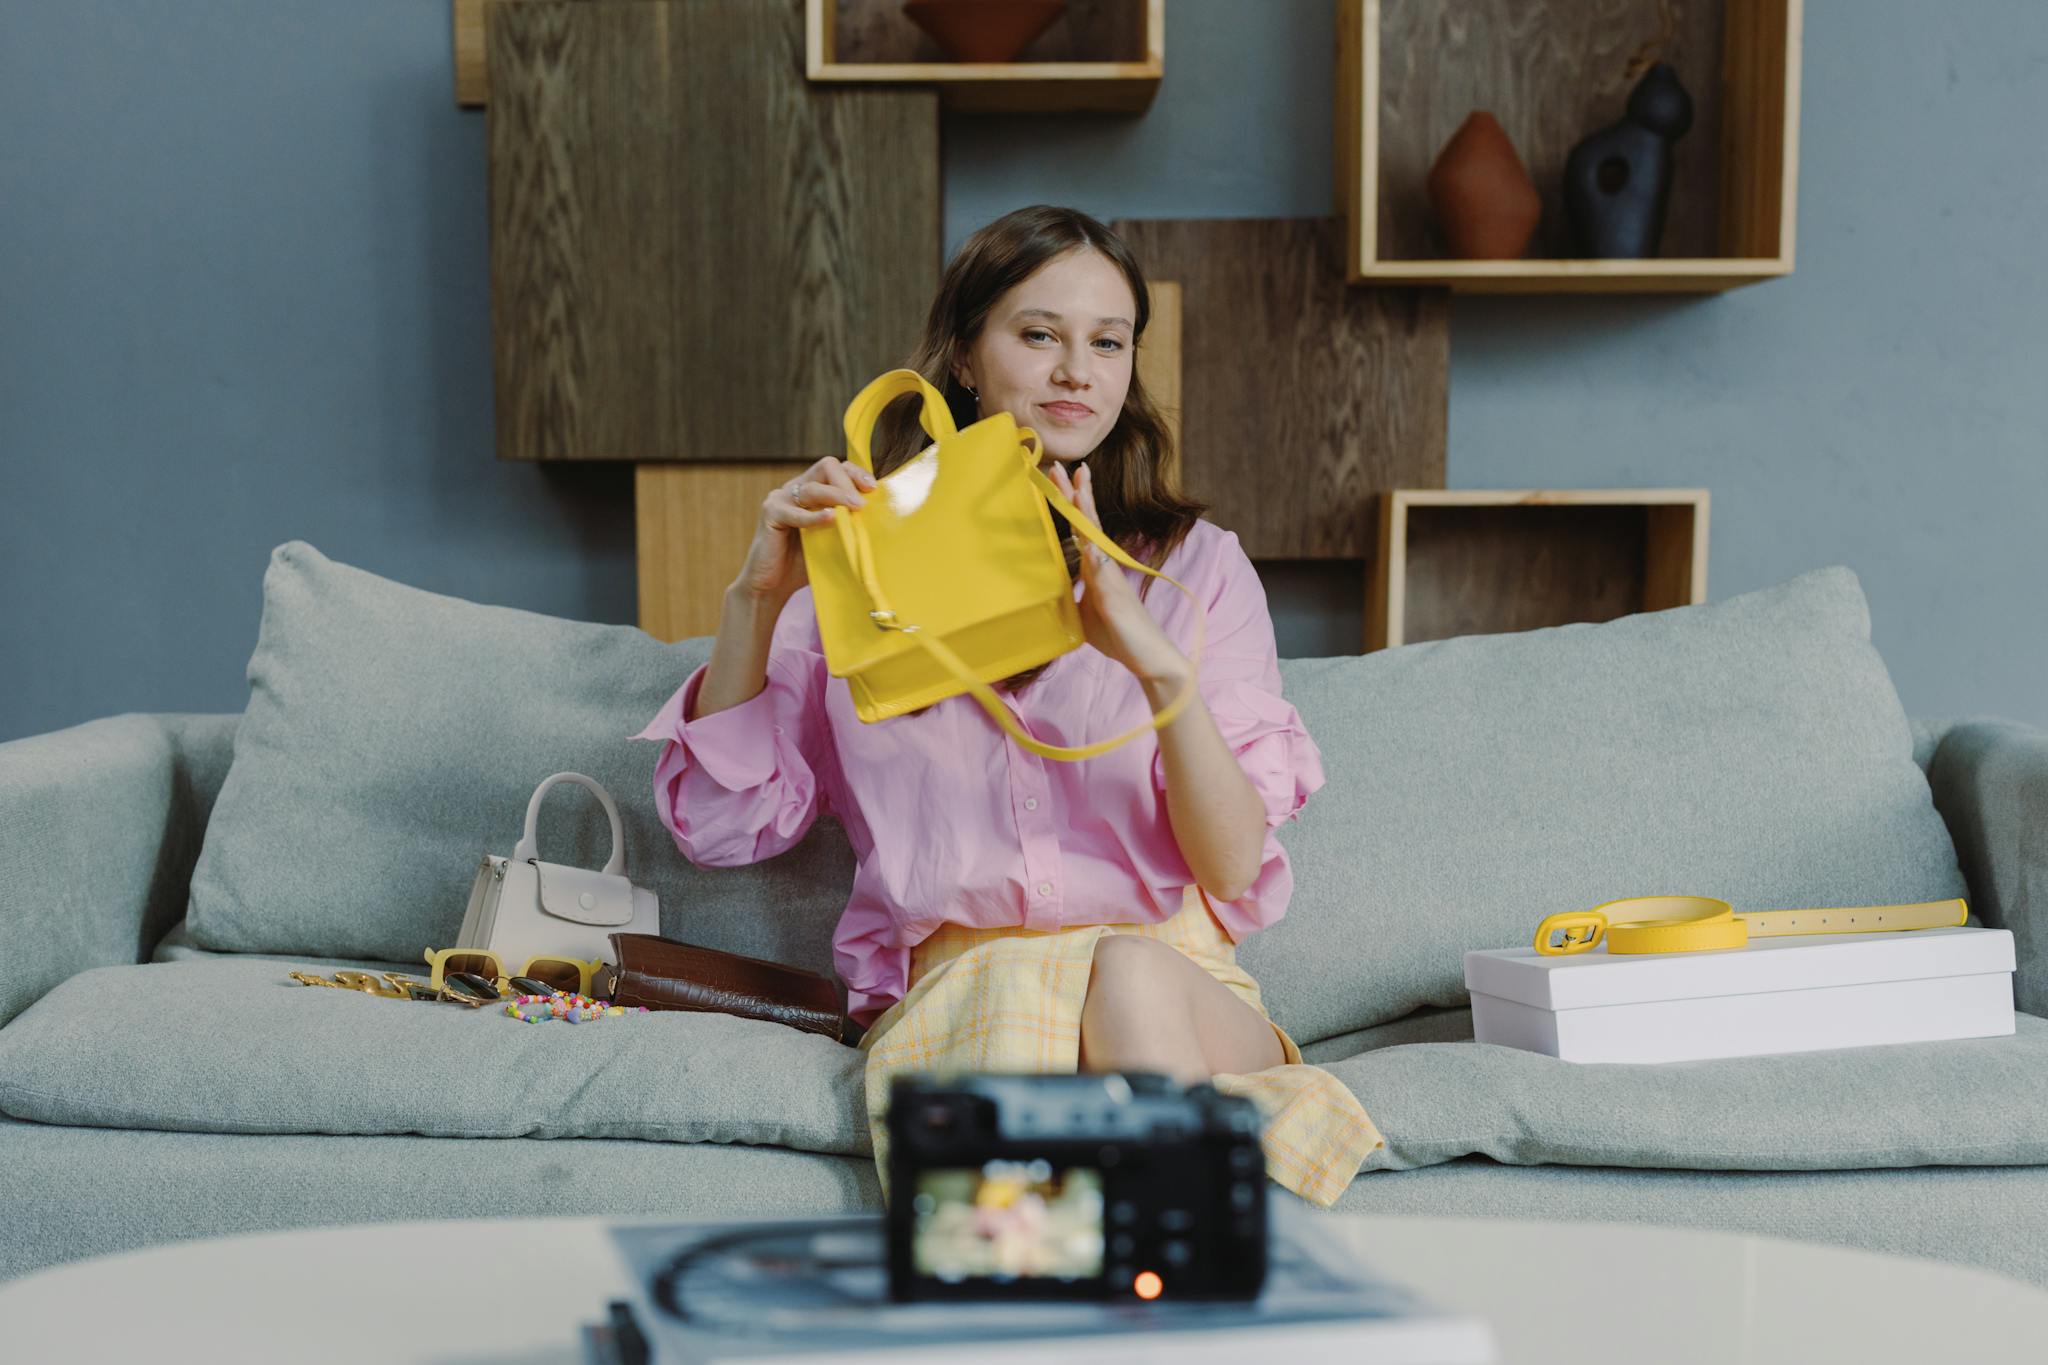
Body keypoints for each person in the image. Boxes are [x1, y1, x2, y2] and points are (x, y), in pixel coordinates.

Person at [629, 205, 1384, 1209]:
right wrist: (755, 602)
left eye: (1107, 342)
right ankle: (1144, 1267)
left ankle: (1098, 1258)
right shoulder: (859, 582)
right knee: (1012, 1004)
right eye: (1038, 334)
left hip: (1179, 992)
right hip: (965, 998)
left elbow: (1232, 866)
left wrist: (1154, 667)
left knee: (1127, 973)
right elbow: (719, 826)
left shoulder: (1195, 571)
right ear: (965, 358)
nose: (1077, 371)